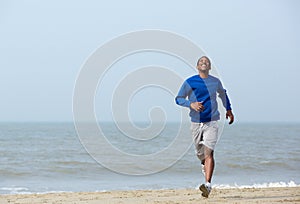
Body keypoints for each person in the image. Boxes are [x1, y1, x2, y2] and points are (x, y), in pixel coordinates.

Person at [175, 56, 234, 198]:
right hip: (195, 122)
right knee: (200, 153)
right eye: (201, 62)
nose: (204, 63)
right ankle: (203, 163)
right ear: (197, 66)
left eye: (206, 62)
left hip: (212, 121)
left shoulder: (215, 81)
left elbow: (223, 94)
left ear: (209, 67)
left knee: (209, 153)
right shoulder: (190, 82)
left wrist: (228, 110)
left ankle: (207, 185)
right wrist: (191, 104)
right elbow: (178, 98)